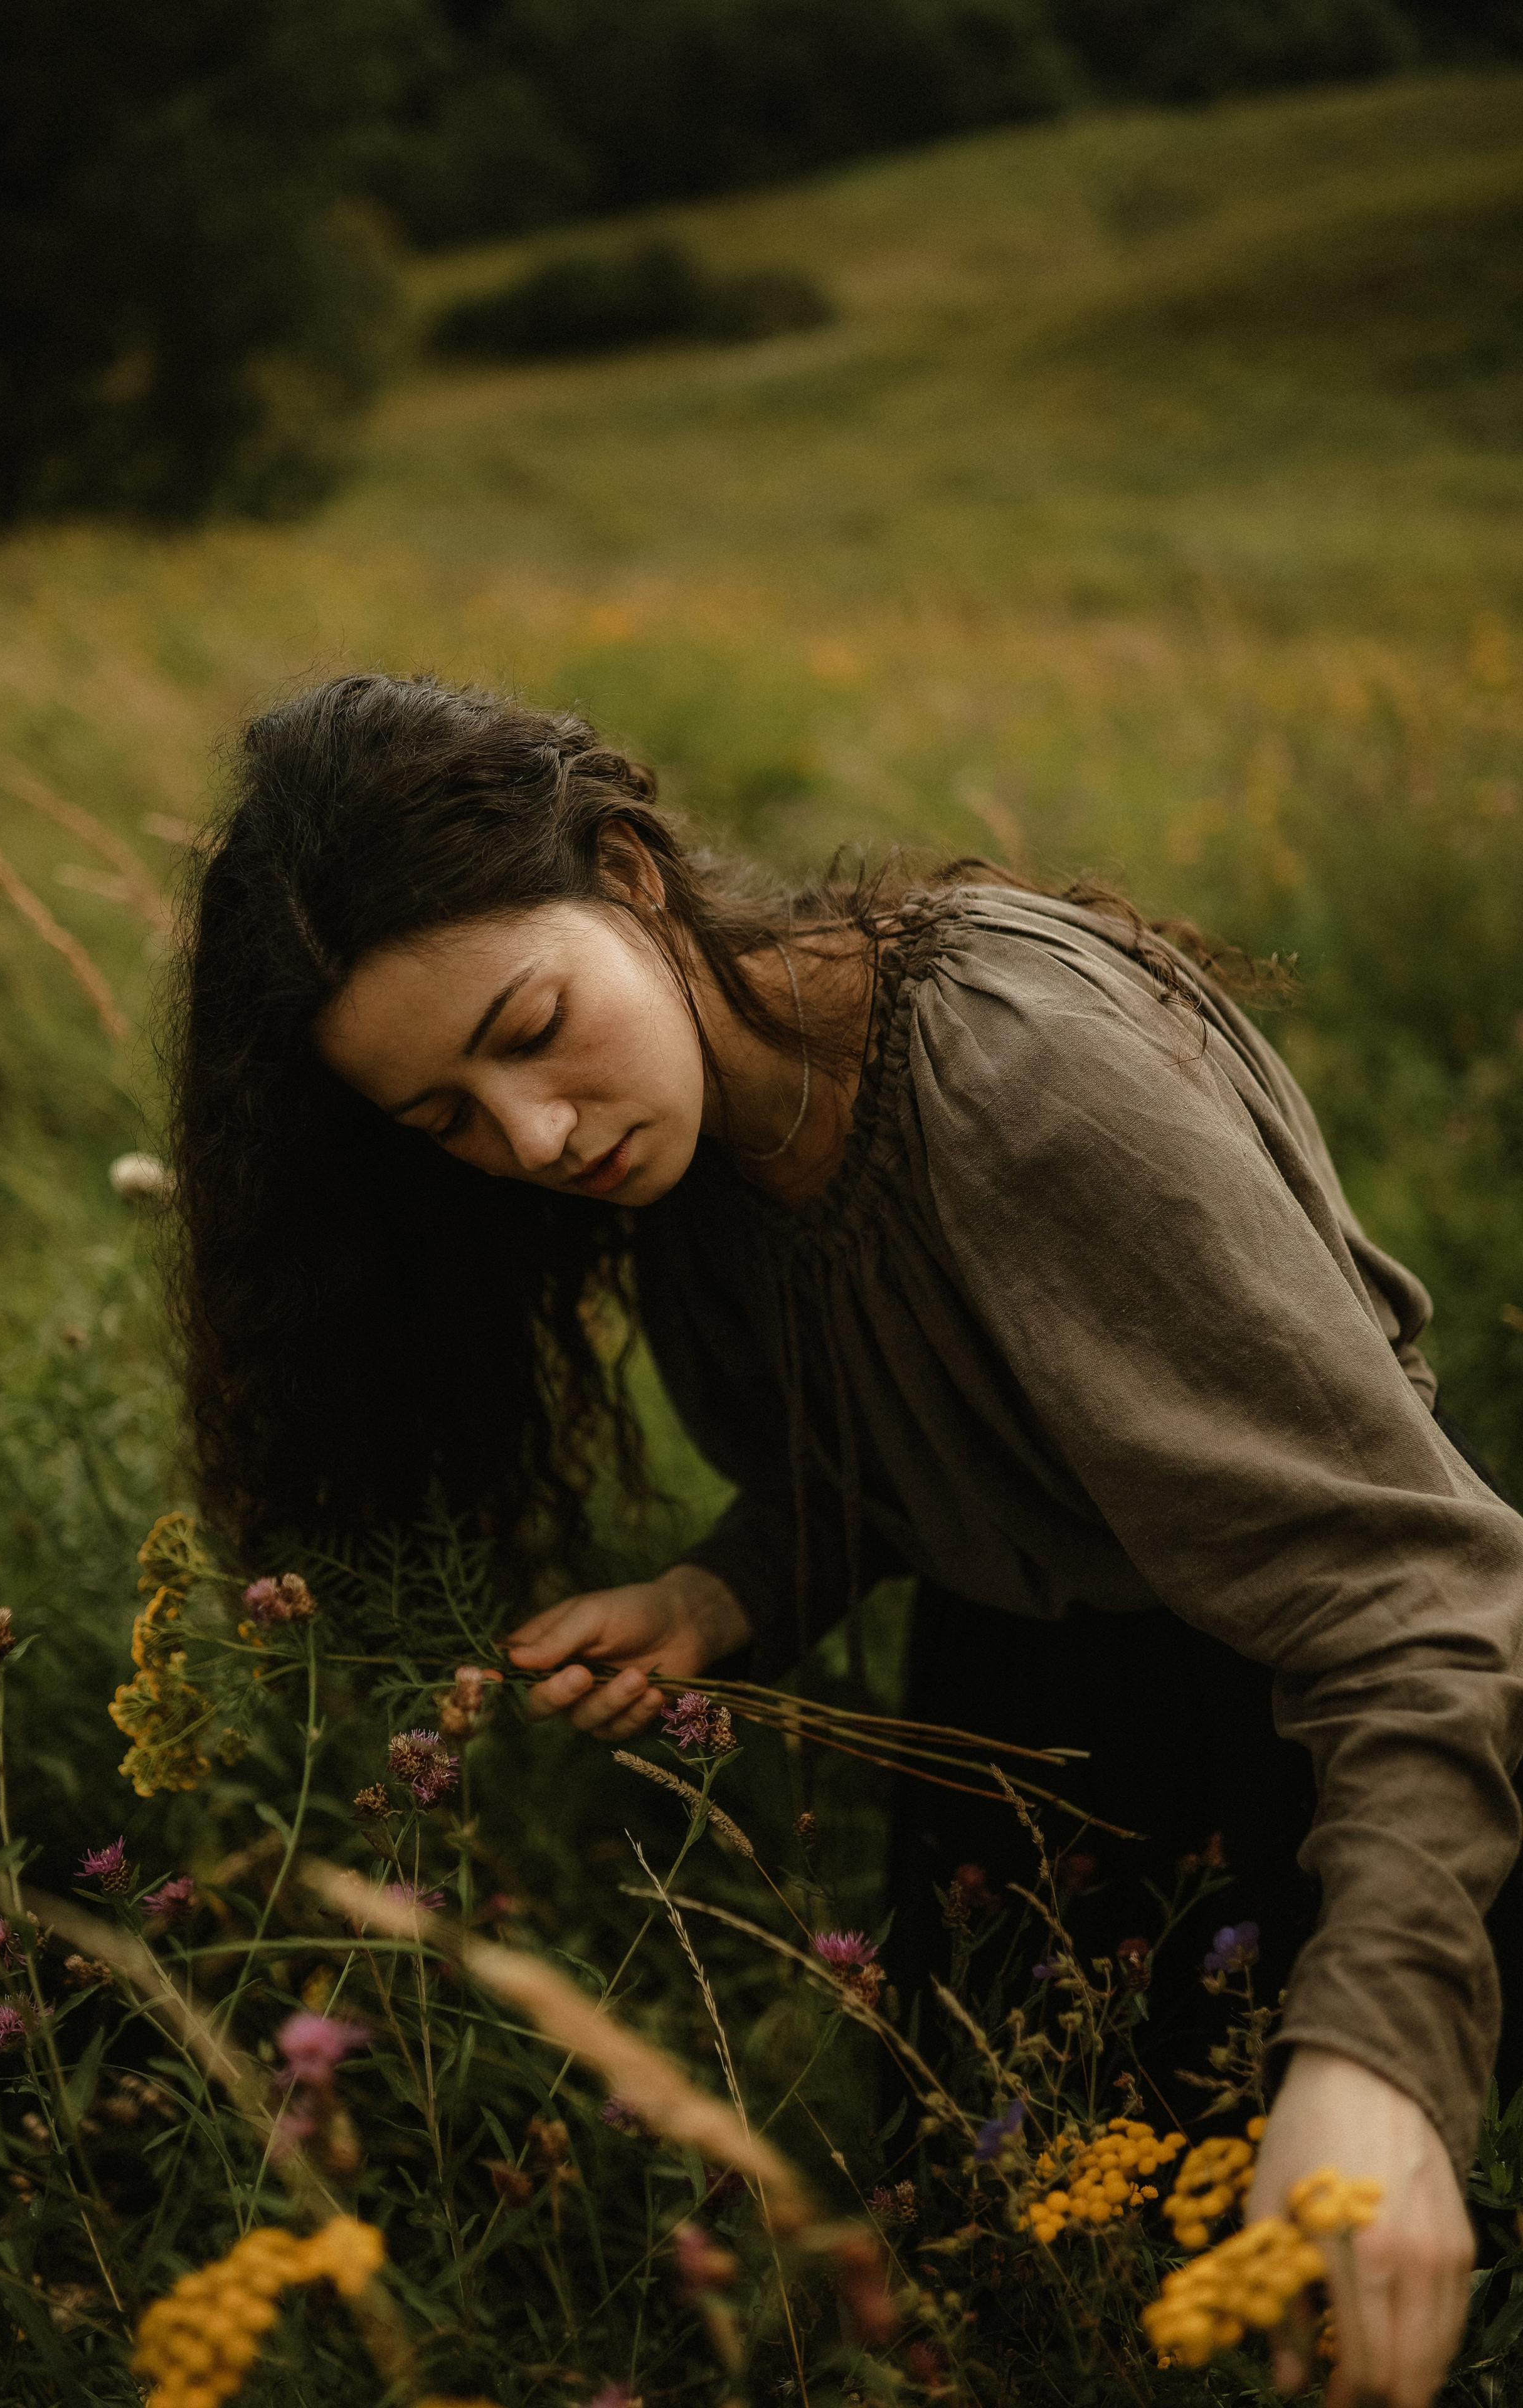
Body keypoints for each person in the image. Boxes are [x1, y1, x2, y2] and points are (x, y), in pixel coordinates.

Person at [174, 671, 1523, 2408]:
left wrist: (1379, 2059)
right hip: (1023, 1718)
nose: (532, 1137)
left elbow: (1423, 1598)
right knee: (1033, 2291)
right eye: (446, 1118)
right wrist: (727, 1589)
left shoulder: (1023, 1077)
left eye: (531, 1027)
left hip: (1333, 1719)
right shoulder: (689, 1132)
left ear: (630, 871)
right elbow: (942, 1433)